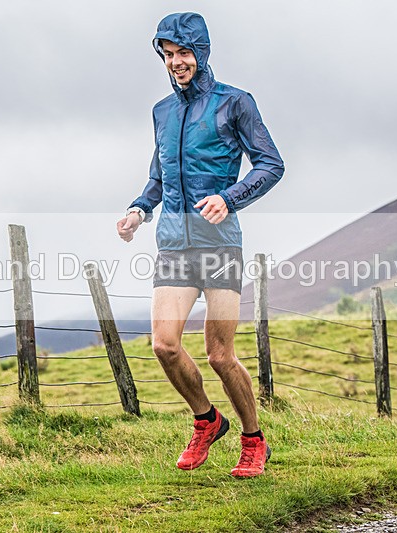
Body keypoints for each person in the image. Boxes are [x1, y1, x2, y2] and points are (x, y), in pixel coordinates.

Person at [116, 12, 284, 478]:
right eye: (168, 55)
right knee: (164, 345)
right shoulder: (162, 113)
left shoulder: (236, 103)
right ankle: (207, 420)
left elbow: (271, 165)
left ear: (202, 53)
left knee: (219, 354)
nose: (176, 62)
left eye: (184, 53)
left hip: (219, 245)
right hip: (173, 243)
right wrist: (137, 209)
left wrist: (229, 199)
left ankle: (253, 441)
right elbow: (160, 176)